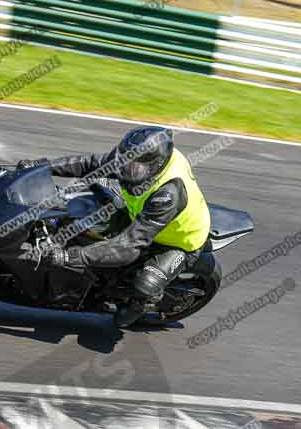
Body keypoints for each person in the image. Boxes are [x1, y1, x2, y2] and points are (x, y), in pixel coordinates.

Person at [16, 126, 211, 327]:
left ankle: (139, 305)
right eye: (126, 162)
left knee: (145, 285)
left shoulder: (168, 194)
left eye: (137, 168)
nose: (127, 170)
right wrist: (42, 166)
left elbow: (128, 247)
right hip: (140, 214)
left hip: (179, 241)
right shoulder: (134, 157)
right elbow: (90, 163)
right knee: (79, 216)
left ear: (156, 166)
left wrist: (69, 257)